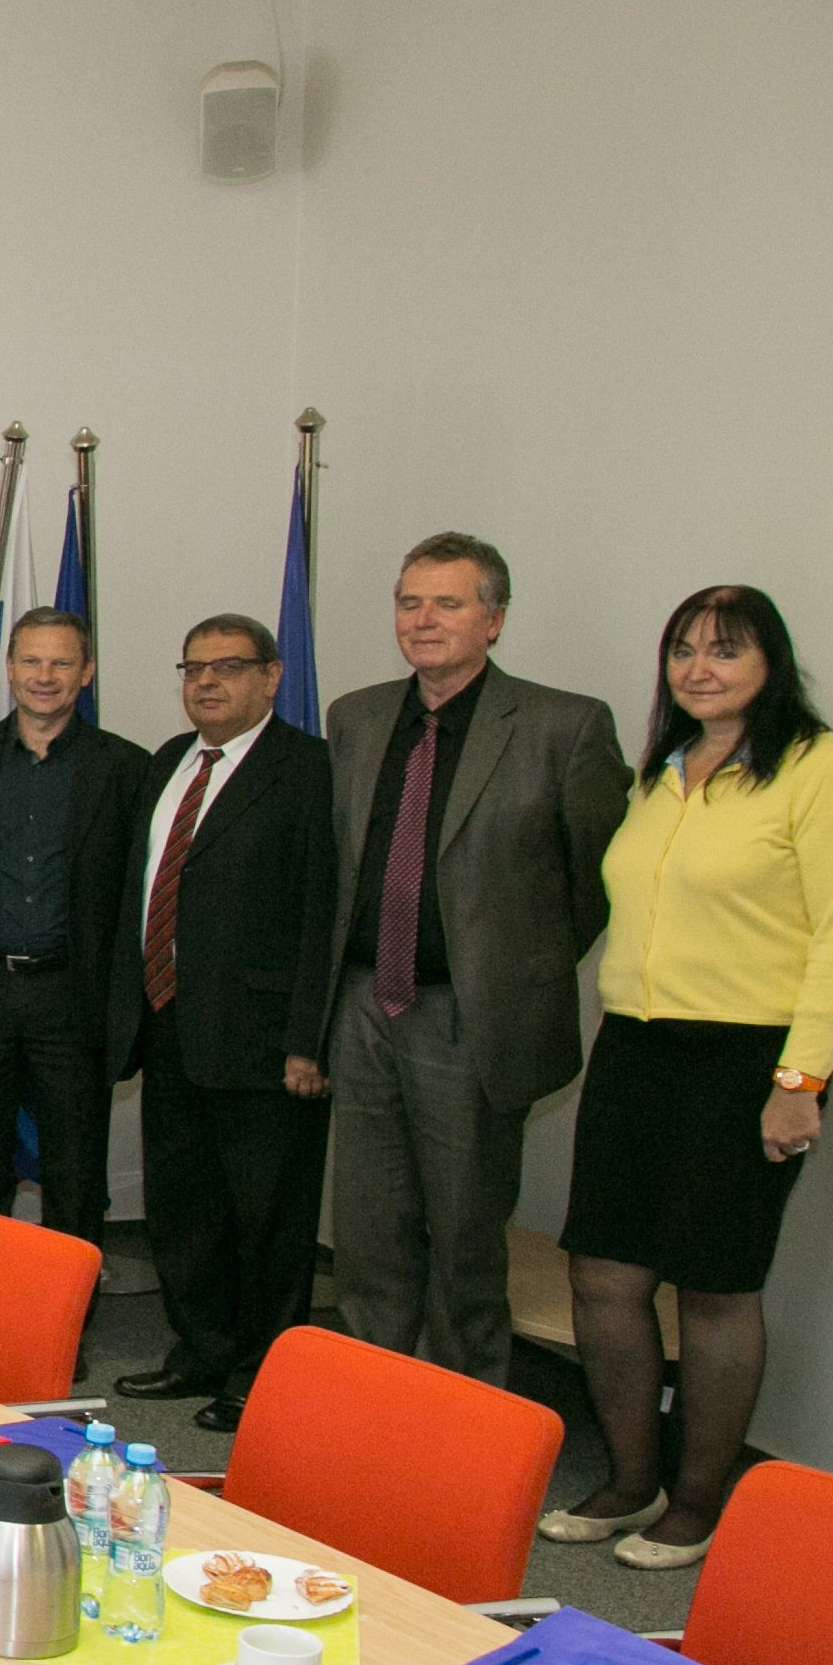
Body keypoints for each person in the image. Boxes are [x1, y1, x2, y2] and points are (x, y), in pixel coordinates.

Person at [551, 587, 833, 1568]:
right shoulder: (665, 771)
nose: (699, 669)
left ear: (770, 663)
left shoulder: (817, 768)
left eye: (725, 650)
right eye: (684, 650)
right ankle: (631, 1480)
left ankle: (698, 1502)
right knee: (604, 1272)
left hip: (747, 1061)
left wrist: (800, 1080)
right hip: (636, 1049)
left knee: (716, 1285)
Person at [325, 535, 626, 1385]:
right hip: (363, 1005)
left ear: (492, 620)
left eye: (447, 603)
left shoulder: (564, 726)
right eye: (409, 602)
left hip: (471, 1017)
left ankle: (462, 1424)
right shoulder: (356, 717)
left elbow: (598, 880)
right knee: (367, 1236)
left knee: (463, 1241)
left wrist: (511, 972)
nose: (423, 620)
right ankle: (367, 1405)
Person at [108, 617, 338, 1432]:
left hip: (264, 1039)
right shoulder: (170, 761)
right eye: (194, 667)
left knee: (268, 1219)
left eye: (228, 667)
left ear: (271, 678)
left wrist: (309, 1039)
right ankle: (200, 1351)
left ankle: (261, 1374)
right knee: (183, 1207)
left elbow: (325, 913)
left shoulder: (310, 770)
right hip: (169, 1021)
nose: (206, 682)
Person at [0, 610, 146, 1254]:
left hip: (73, 998)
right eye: (31, 660)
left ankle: (69, 1309)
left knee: (74, 1177)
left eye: (61, 662)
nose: (44, 676)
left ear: (87, 672)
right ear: (10, 668)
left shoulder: (126, 768)